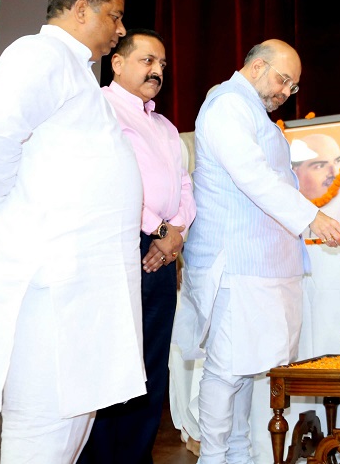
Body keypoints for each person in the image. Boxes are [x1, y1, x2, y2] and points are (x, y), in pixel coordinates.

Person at [0, 0, 146, 463]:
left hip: (81, 281)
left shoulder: (75, 68)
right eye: (114, 17)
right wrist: (2, 209)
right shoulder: (40, 54)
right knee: (41, 429)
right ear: (81, 10)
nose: (120, 30)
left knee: (72, 423)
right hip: (53, 283)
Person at [171, 39, 340, 464]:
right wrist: (312, 218)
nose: (286, 92)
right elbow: (251, 175)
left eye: (293, 86)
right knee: (228, 368)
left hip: (260, 264)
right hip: (236, 263)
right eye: (283, 79)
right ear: (255, 67)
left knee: (248, 368)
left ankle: (238, 454)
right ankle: (214, 457)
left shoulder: (252, 112)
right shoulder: (228, 104)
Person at [77, 29, 196, 463]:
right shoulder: (99, 109)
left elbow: (184, 183)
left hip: (162, 250)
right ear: (118, 63)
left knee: (151, 364)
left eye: (162, 64)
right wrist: (158, 230)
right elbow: (110, 180)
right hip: (120, 245)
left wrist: (176, 232)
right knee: (114, 362)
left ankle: (136, 455)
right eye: (148, 61)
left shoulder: (163, 124)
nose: (157, 71)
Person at [291, 133, 340, 237]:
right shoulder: (283, 206)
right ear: (294, 171)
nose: (335, 173)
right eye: (320, 166)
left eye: (337, 161)